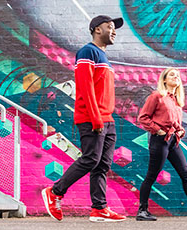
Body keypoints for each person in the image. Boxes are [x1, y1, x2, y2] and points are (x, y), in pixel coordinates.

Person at [41, 15, 127, 222]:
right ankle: (55, 191)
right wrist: (95, 117)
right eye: (110, 27)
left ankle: (99, 209)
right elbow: (85, 87)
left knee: (102, 164)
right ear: (97, 29)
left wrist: (107, 118)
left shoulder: (104, 56)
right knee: (91, 159)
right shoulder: (88, 52)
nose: (114, 31)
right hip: (92, 118)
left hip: (107, 119)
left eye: (115, 28)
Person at [135, 68, 187, 221]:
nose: (176, 77)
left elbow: (174, 122)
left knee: (185, 173)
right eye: (172, 75)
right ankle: (142, 211)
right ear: (165, 80)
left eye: (178, 75)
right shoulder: (157, 96)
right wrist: (158, 130)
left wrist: (180, 131)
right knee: (151, 176)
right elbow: (143, 117)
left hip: (173, 141)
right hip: (160, 141)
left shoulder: (176, 100)